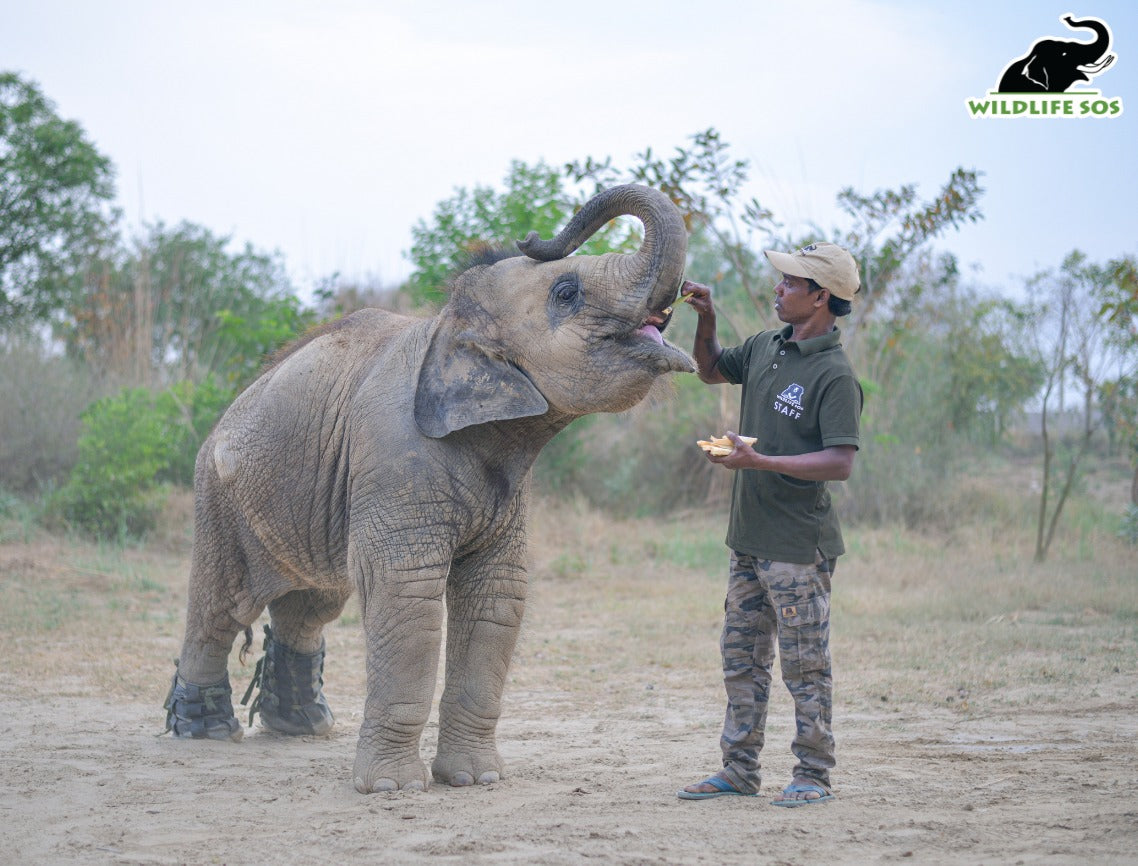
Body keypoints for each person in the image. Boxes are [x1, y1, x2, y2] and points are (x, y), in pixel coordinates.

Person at [676, 242, 863, 807]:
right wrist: (707, 318)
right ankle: (739, 770)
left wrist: (759, 461)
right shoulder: (766, 347)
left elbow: (840, 462)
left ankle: (813, 774)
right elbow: (710, 370)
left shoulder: (834, 374)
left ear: (821, 297)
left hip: (797, 548)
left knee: (805, 667)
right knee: (741, 661)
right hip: (749, 541)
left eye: (789, 283)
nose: (777, 289)